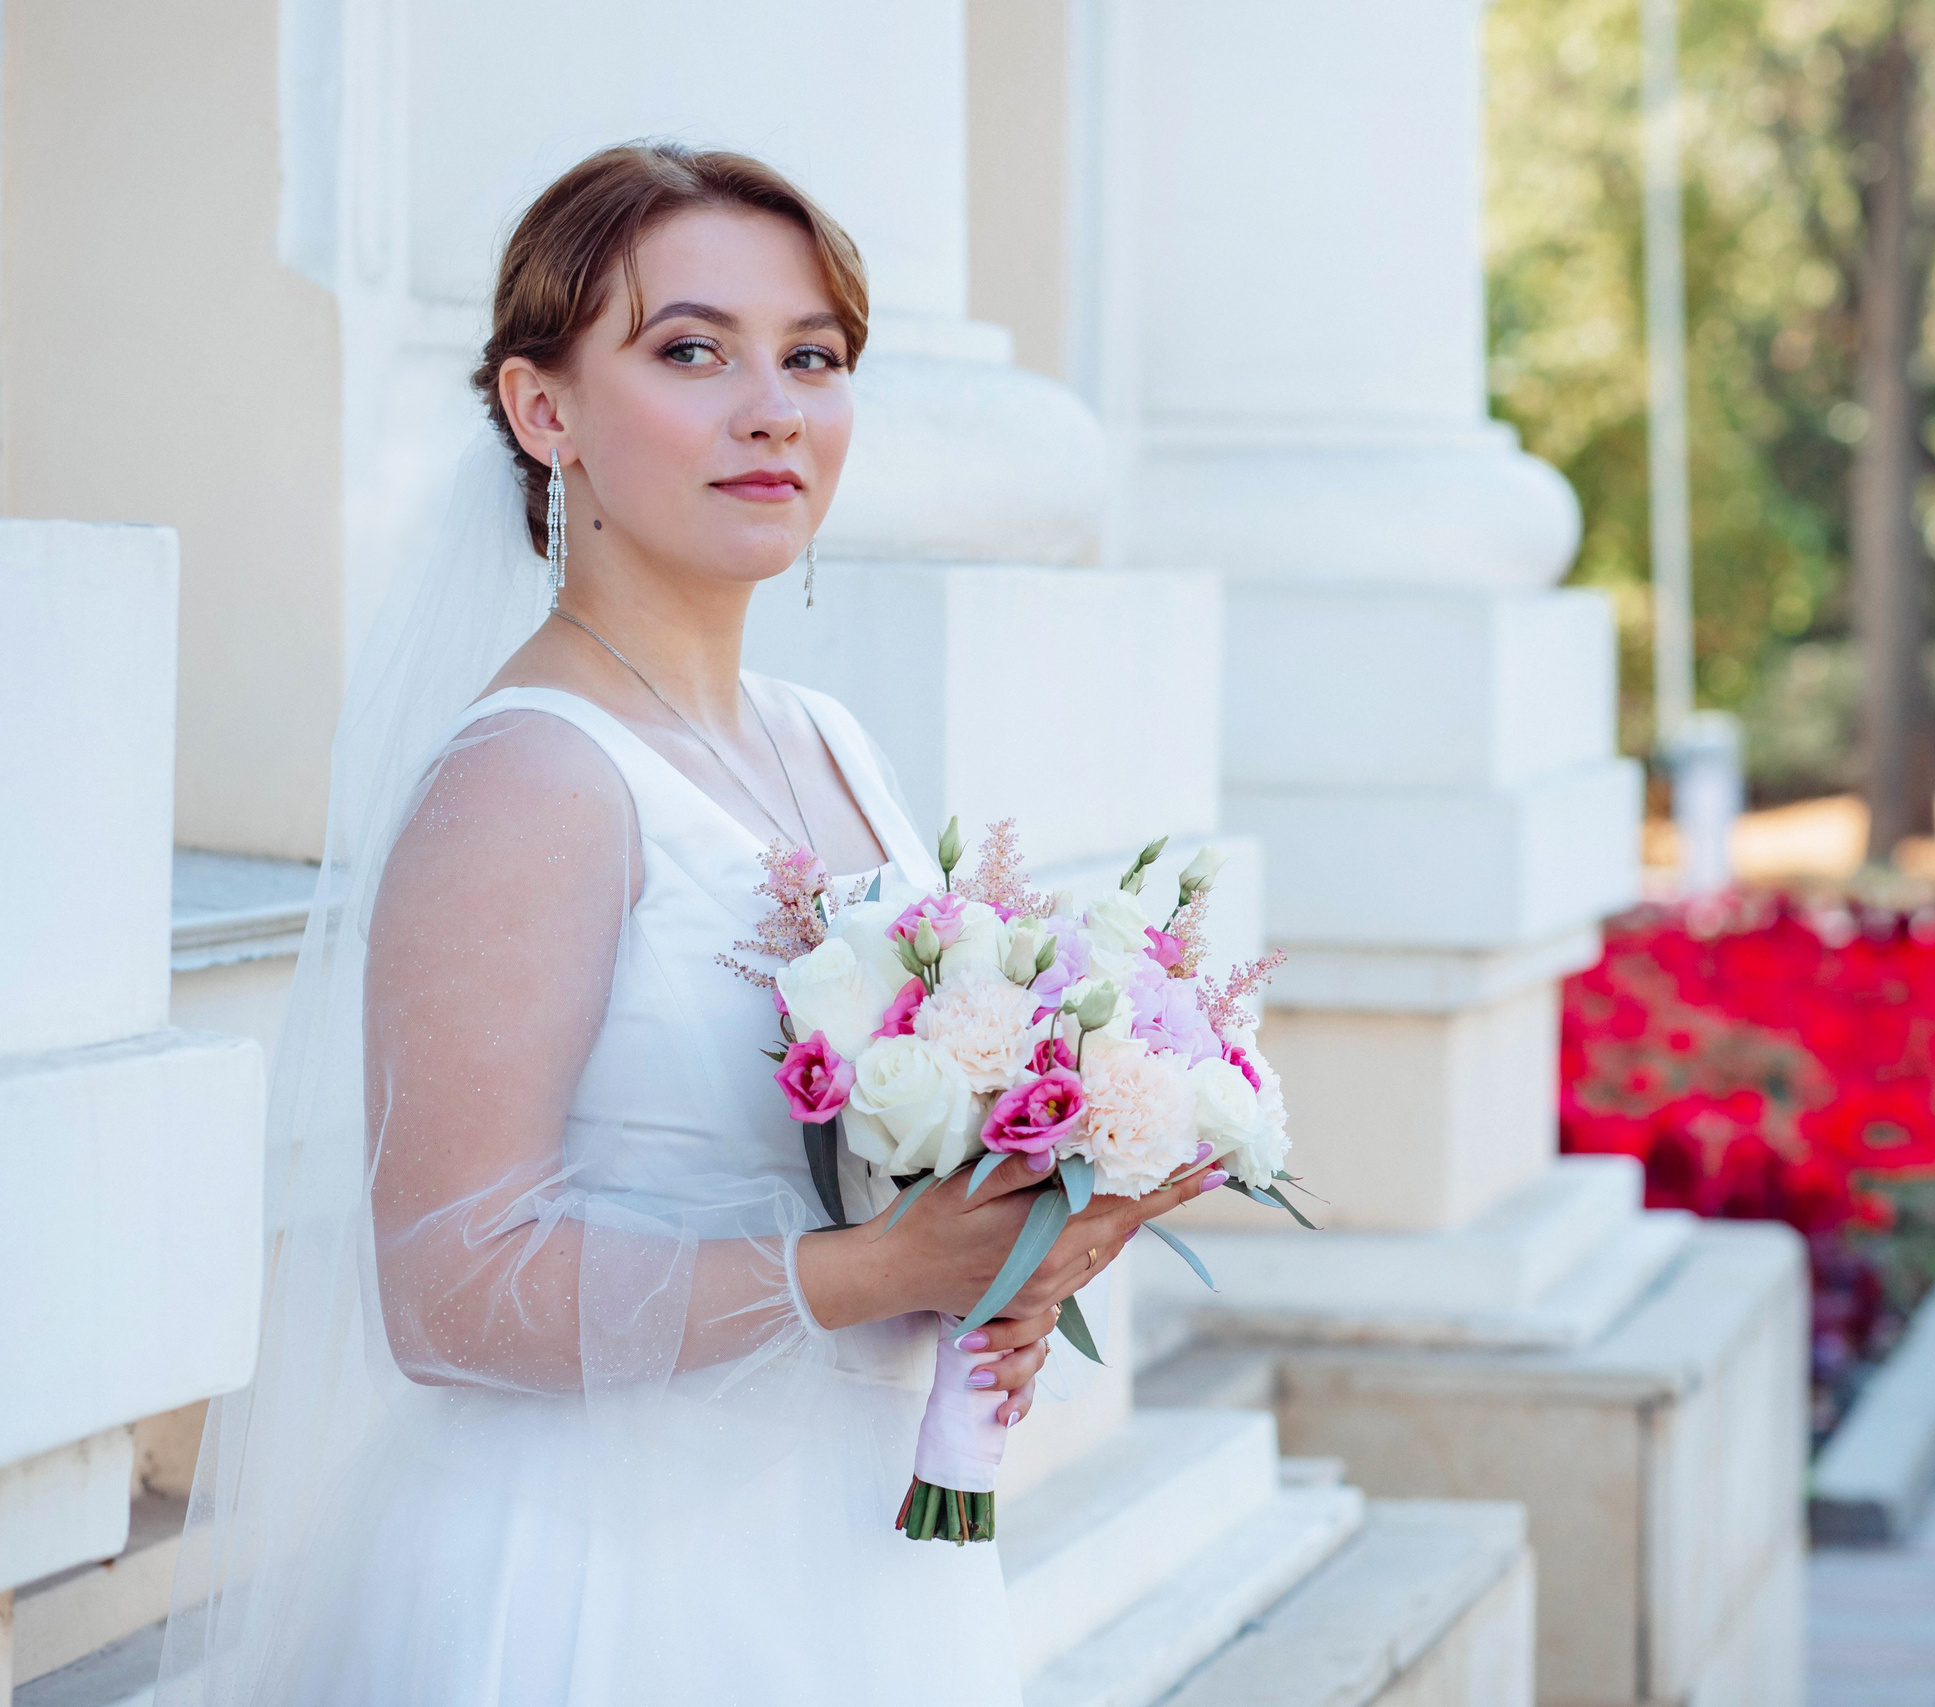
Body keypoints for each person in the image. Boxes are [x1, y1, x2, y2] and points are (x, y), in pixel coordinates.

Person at [155, 142, 1218, 1707]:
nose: (773, 406)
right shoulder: (530, 777)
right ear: (544, 411)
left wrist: (1025, 1236)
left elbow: (877, 1163)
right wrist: (876, 1269)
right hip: (613, 1578)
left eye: (815, 358)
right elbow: (446, 1294)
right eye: (691, 351)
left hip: (847, 1561)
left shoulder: (828, 739)